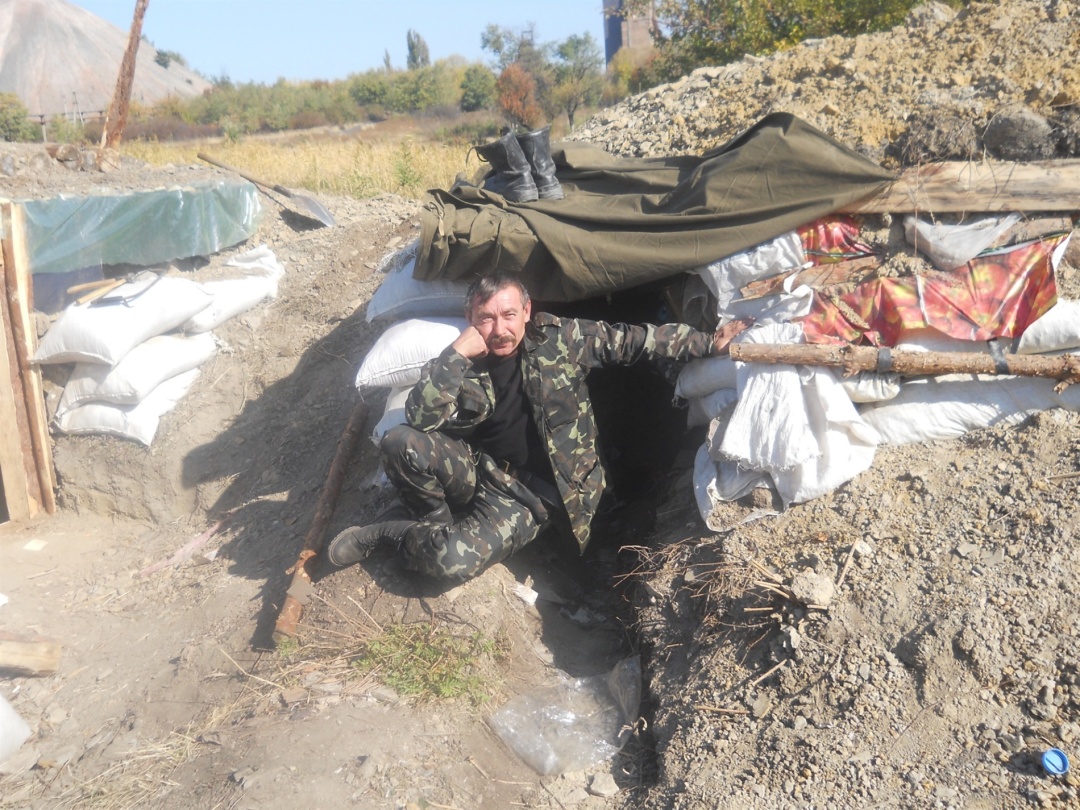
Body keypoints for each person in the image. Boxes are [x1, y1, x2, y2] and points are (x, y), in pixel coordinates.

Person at [328, 272, 751, 582]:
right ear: (470, 317)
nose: (499, 329)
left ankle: (390, 533)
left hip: (530, 497)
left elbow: (630, 340)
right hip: (478, 469)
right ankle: (428, 524)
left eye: (509, 314)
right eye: (486, 318)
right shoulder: (457, 362)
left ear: (527, 311)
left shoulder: (558, 339)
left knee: (449, 561)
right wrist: (455, 354)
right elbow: (420, 419)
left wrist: (706, 343)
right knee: (398, 441)